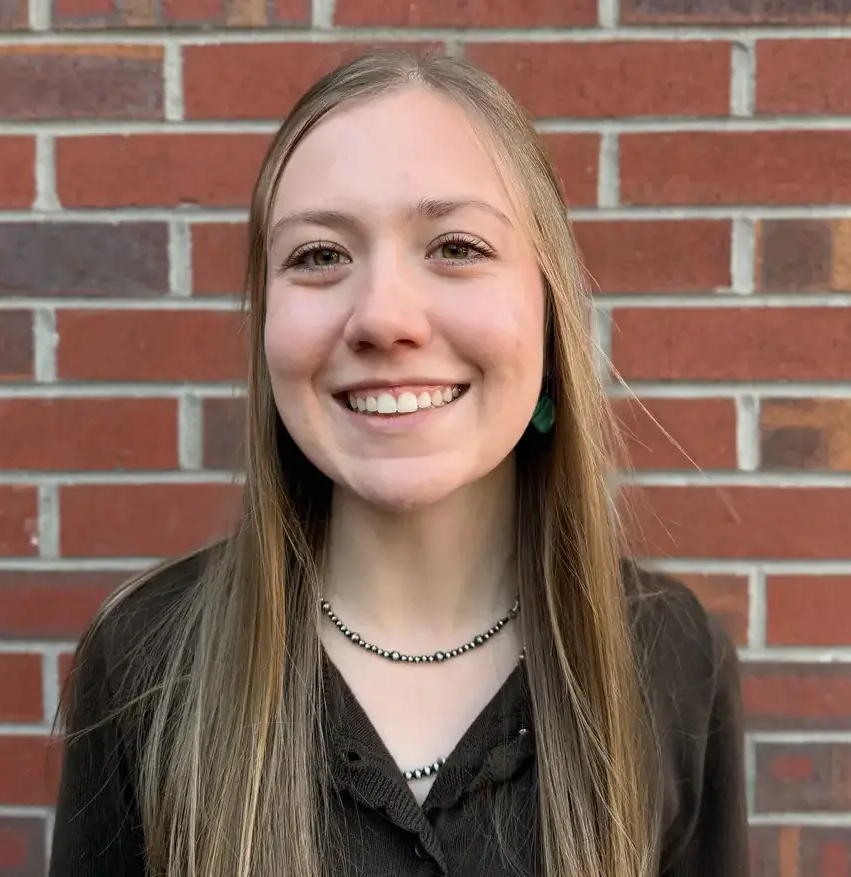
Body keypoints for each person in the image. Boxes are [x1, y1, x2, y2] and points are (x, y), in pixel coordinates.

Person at [48, 50, 749, 877]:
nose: (382, 316)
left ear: (550, 313)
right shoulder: (148, 658)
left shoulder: (669, 655)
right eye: (318, 256)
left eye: (454, 245)